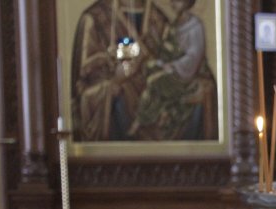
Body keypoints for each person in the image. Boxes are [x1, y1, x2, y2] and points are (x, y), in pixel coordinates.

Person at [70, 0, 169, 141]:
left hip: (155, 108)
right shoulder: (95, 19)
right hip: (114, 112)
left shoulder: (159, 20)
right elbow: (83, 86)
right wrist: (115, 80)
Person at [129, 0, 218, 140]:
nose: (173, 4)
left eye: (178, 1)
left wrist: (173, 66)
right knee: (148, 69)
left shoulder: (195, 26)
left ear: (187, 3)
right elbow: (167, 50)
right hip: (172, 68)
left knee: (154, 81)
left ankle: (141, 120)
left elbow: (193, 57)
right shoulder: (174, 24)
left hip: (186, 74)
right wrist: (160, 60)